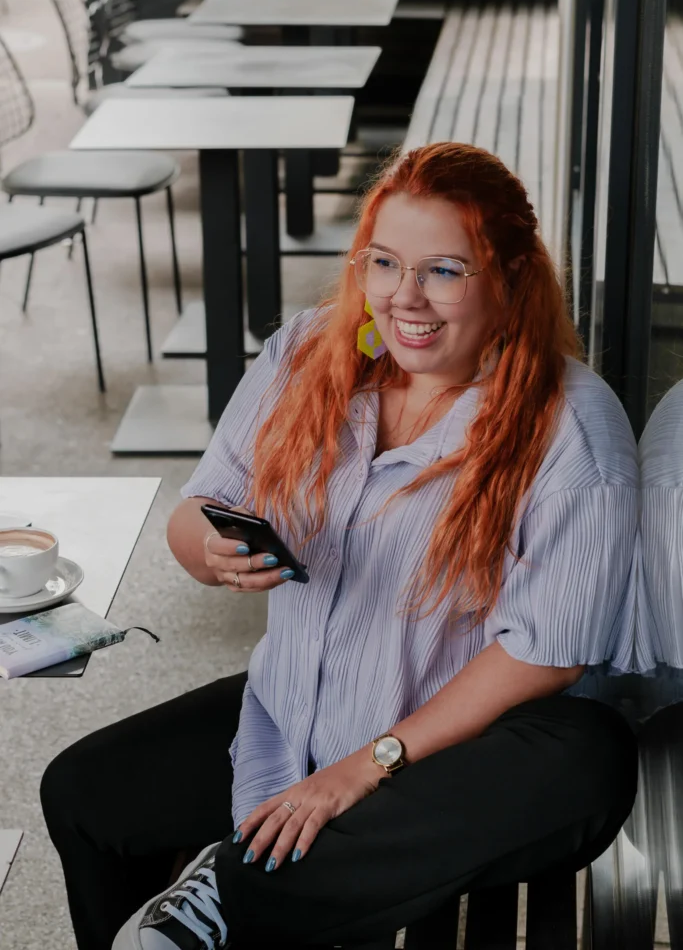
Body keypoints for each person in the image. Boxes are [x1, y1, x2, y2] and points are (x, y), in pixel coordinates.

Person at [41, 143, 639, 950]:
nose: (404, 297)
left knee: (585, 759)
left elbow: (546, 657)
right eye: (384, 263)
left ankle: (226, 897)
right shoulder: (308, 351)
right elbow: (198, 510)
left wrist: (361, 768)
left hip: (452, 754)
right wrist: (209, 550)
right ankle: (244, 888)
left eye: (443, 270)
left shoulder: (571, 428)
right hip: (297, 710)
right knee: (82, 792)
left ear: (508, 276)